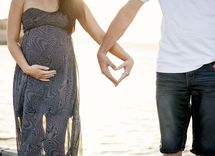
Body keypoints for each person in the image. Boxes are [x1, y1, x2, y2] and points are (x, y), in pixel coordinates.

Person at [97, 0, 215, 155]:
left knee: (208, 150)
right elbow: (128, 11)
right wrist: (103, 50)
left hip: (211, 70)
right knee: (170, 149)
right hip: (169, 70)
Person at [7, 0, 133, 155]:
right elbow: (12, 41)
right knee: (31, 137)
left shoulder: (74, 3)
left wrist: (126, 57)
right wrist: (27, 68)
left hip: (62, 81)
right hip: (30, 77)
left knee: (56, 139)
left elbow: (102, 36)